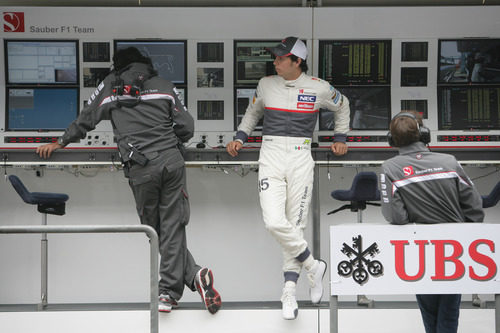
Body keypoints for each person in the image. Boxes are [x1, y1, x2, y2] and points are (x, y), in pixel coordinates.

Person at [36, 47, 221, 315]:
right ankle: (194, 275)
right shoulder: (165, 86)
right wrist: (169, 140)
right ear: (146, 65)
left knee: (154, 230)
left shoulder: (111, 85)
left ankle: (168, 293)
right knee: (171, 227)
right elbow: (187, 127)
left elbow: (87, 118)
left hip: (141, 167)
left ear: (117, 66)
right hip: (172, 162)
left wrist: (60, 141)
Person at [226, 37, 350, 320]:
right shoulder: (266, 84)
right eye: (276, 57)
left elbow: (343, 105)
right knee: (273, 221)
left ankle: (289, 293)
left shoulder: (318, 87)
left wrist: (340, 137)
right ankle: (312, 266)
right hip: (270, 154)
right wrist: (239, 137)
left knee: (295, 223)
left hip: (300, 155)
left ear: (297, 62)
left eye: (282, 58)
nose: (275, 62)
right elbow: (252, 112)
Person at [380, 110, 484, 333]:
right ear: (424, 135)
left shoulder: (389, 168)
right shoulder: (449, 161)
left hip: (421, 250)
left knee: (430, 312)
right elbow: (474, 206)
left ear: (392, 140)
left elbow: (396, 217)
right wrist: (469, 236)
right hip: (456, 249)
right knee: (449, 311)